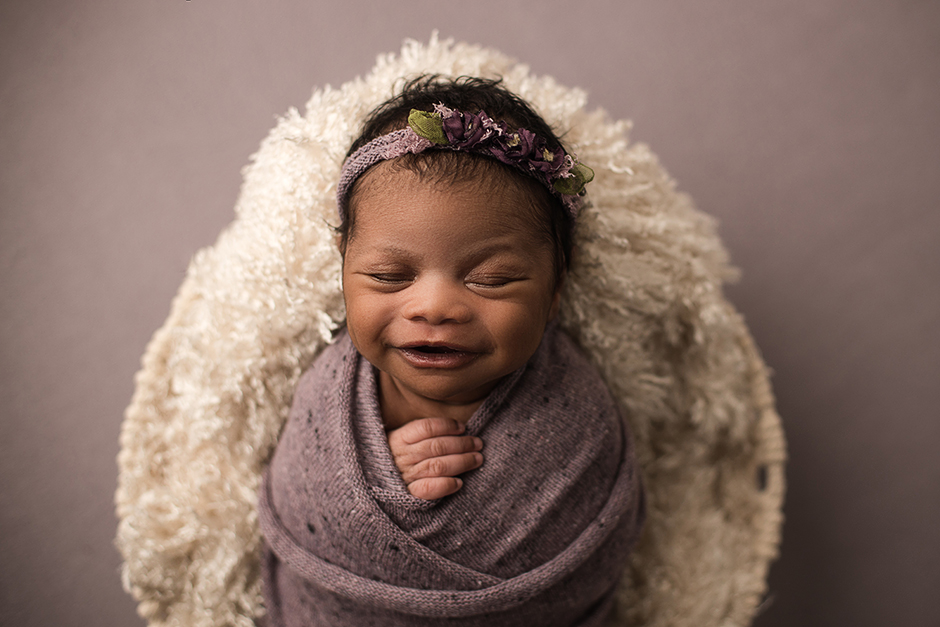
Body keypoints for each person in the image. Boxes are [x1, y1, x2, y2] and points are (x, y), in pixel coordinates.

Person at [257, 76, 645, 627]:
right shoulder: (330, 395)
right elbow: (302, 493)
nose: (435, 307)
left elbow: (599, 539)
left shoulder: (577, 416)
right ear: (343, 266)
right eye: (389, 276)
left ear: (556, 288)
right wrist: (376, 477)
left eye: (492, 279)